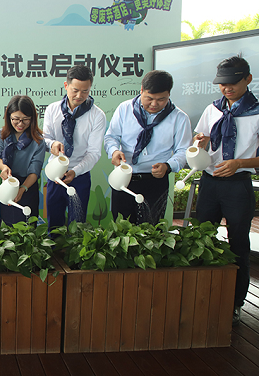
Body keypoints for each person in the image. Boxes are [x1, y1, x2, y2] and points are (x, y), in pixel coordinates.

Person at [193, 55, 259, 326]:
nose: (227, 88)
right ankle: (200, 297)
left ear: (248, 79)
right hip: (210, 182)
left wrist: (239, 163)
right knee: (200, 238)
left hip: (238, 184)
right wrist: (200, 142)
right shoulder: (213, 109)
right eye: (222, 83)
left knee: (238, 244)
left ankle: (235, 302)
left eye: (233, 82)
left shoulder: (257, 112)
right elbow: (200, 139)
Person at [104, 70, 192, 224]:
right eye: (149, 98)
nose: (154, 104)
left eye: (161, 99)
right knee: (122, 226)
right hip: (124, 177)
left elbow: (183, 150)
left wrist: (168, 166)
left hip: (155, 181)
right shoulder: (125, 109)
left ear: (169, 95)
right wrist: (114, 151)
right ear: (141, 90)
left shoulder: (179, 118)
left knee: (151, 228)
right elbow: (111, 136)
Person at [43, 65, 106, 228]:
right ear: (66, 85)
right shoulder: (52, 109)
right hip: (55, 174)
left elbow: (93, 153)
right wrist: (52, 144)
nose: (79, 96)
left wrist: (75, 171)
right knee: (54, 224)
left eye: (85, 91)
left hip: (80, 175)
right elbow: (45, 139)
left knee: (77, 225)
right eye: (75, 90)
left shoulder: (97, 116)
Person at [0, 95, 46, 226]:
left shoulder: (38, 140)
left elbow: (34, 171)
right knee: (6, 226)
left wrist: (22, 189)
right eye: (16, 119)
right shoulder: (3, 134)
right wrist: (3, 167)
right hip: (8, 183)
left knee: (27, 226)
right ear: (9, 117)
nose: (20, 124)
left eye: (25, 119)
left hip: (27, 186)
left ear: (32, 118)